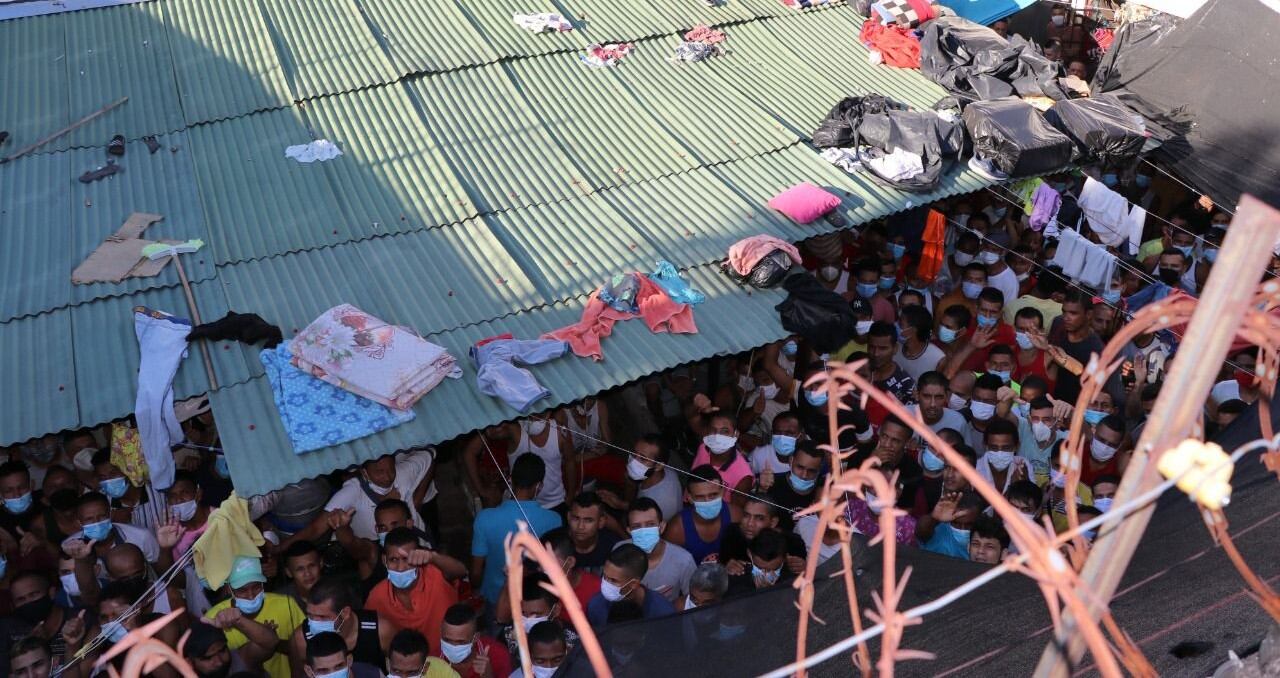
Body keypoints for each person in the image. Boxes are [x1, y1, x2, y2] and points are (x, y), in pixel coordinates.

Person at [281, 450, 434, 552]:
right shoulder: (353, 491)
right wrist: (279, 549)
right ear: (364, 472)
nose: (387, 477)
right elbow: (316, 528)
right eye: (379, 472)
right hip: (376, 552)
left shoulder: (404, 473)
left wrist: (417, 500)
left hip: (420, 546)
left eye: (391, 470)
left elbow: (430, 455)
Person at [470, 454, 562, 609]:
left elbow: (476, 571)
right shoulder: (554, 520)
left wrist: (475, 590)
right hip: (533, 601)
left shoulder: (484, 518)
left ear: (510, 480)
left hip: (495, 597)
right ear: (539, 485)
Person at [204, 555, 305, 678]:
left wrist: (270, 638)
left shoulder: (286, 604)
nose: (251, 595)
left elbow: (305, 649)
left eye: (256, 587)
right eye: (242, 590)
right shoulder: (215, 618)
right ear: (229, 589)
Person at [365, 528, 459, 652]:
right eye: (394, 560)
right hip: (408, 669)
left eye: (407, 559)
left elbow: (461, 571)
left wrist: (433, 557)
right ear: (384, 560)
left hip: (448, 662)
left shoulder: (437, 575)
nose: (401, 567)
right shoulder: (377, 596)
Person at [290, 577, 397, 673]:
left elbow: (402, 669)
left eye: (323, 617)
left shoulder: (380, 630)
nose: (314, 623)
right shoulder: (301, 639)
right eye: (310, 616)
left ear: (345, 613)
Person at [619, 498, 695, 605]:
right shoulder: (620, 552)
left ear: (662, 527)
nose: (644, 531)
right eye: (636, 526)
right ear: (629, 531)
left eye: (650, 524)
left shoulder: (683, 560)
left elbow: (693, 600)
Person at [597, 435, 681, 528]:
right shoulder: (667, 472)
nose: (633, 462)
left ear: (659, 466)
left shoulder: (657, 502)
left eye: (643, 458)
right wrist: (622, 503)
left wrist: (616, 525)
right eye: (634, 453)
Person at [662, 465, 741, 564]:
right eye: (700, 497)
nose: (707, 501)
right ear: (689, 498)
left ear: (722, 492)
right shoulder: (677, 529)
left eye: (713, 495)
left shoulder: (735, 516)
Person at [585, 544, 675, 626]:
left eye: (613, 580)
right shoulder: (596, 605)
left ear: (634, 584)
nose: (606, 583)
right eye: (604, 576)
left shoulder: (663, 613)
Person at [503, 573, 579, 662]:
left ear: (556, 610)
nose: (528, 620)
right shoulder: (510, 632)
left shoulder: (574, 641)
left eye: (536, 614)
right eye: (523, 613)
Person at [688, 412, 754, 506]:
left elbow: (736, 510)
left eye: (725, 431)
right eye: (713, 430)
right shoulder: (703, 448)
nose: (717, 436)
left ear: (736, 435)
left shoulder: (743, 476)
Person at [538, 528, 600, 619]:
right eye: (540, 562)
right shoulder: (537, 586)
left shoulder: (596, 590)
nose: (542, 568)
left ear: (570, 562)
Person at [438, 604, 512, 678]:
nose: (453, 647)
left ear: (476, 637)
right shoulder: (433, 660)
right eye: (447, 640)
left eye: (460, 642)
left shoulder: (498, 655)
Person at [565, 492, 620, 575]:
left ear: (601, 522)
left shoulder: (613, 547)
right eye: (576, 518)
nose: (580, 526)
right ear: (568, 517)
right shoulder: (555, 544)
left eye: (588, 520)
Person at [918, 491, 984, 559]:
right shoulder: (936, 531)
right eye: (956, 523)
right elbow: (921, 530)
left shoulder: (984, 544)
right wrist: (933, 518)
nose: (962, 529)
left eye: (969, 525)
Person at [866, 322, 917, 407]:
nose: (876, 353)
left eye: (883, 348)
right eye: (872, 347)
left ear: (895, 348)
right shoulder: (857, 371)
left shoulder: (906, 384)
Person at [765, 442, 824, 513]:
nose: (804, 475)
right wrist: (761, 489)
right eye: (800, 467)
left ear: (819, 469)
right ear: (790, 461)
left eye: (811, 471)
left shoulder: (824, 489)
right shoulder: (772, 484)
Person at [976, 419, 1031, 494]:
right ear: (985, 446)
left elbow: (1031, 502)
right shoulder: (975, 469)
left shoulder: (1023, 465)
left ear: (1016, 447)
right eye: (994, 448)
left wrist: (1026, 482)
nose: (1000, 453)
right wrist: (1013, 487)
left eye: (1006, 448)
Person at [895, 306, 946, 382]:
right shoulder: (893, 347)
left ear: (914, 329)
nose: (896, 325)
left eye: (900, 324)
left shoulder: (938, 359)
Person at [748, 412, 803, 480]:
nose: (782, 438)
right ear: (772, 434)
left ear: (800, 437)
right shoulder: (759, 455)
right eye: (778, 432)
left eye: (789, 433)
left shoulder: (807, 460)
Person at [183, 622, 251, 678]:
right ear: (189, 662)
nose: (219, 662)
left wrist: (239, 620)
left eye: (222, 651)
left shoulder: (241, 659)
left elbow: (261, 641)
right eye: (208, 658)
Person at [303, 631, 382, 678]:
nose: (333, 675)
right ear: (309, 671)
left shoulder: (373, 674)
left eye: (339, 666)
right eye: (323, 670)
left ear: (349, 660)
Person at [281, 542, 324, 608]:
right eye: (300, 569)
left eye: (311, 566)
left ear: (321, 564)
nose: (307, 573)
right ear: (288, 572)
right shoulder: (280, 599)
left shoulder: (338, 593)